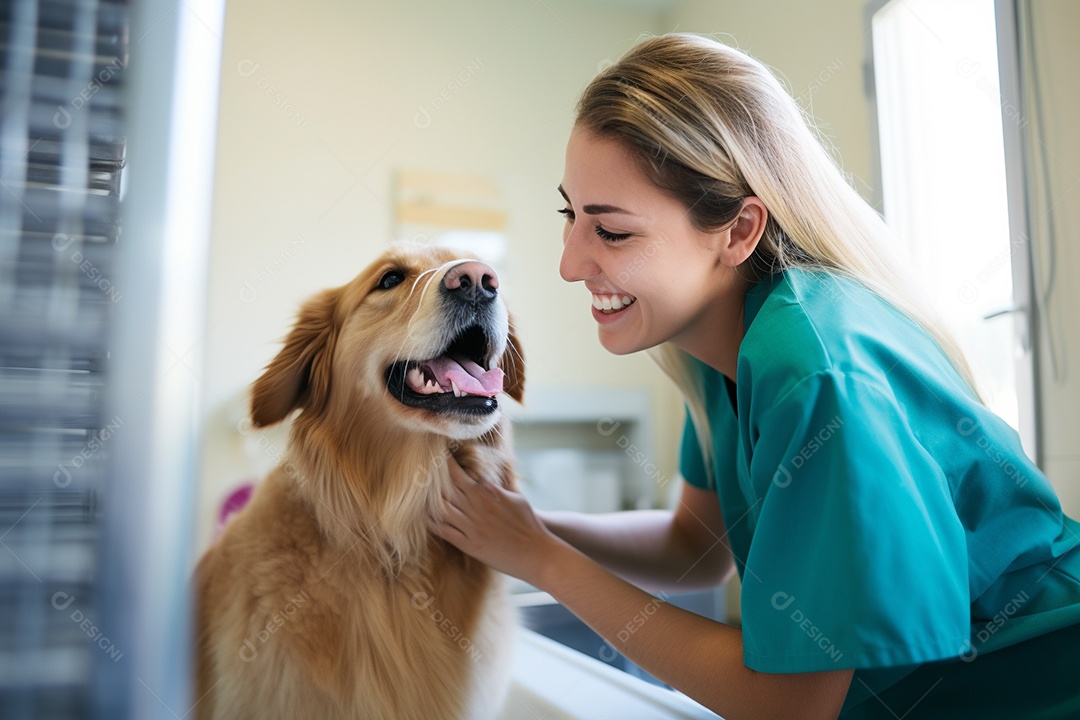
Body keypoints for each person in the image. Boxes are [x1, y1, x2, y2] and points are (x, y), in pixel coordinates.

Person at [434, 33, 1080, 719]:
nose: (569, 263)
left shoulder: (813, 370)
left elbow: (786, 708)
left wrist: (543, 561)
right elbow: (694, 545)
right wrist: (523, 527)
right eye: (571, 216)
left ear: (739, 231)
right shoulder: (716, 342)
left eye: (612, 232)